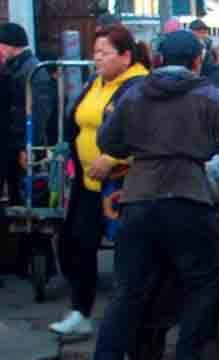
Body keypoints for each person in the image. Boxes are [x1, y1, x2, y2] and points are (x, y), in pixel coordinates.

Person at [84, 30, 219, 360]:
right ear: (198, 61)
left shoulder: (134, 93)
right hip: (188, 198)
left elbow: (108, 141)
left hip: (138, 199)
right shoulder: (207, 96)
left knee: (127, 289)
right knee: (201, 282)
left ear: (154, 59)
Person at [50, 24, 151, 339]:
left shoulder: (139, 87)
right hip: (87, 182)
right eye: (95, 53)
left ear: (125, 56)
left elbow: (148, 136)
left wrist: (114, 159)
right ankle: (81, 311)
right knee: (77, 243)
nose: (97, 59)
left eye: (104, 53)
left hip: (123, 185)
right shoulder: (95, 82)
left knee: (128, 254)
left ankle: (134, 319)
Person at [0, 22, 56, 203]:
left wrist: (28, 146)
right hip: (13, 142)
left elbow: (40, 113)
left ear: (9, 45)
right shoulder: (14, 66)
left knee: (26, 196)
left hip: (24, 145)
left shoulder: (33, 70)